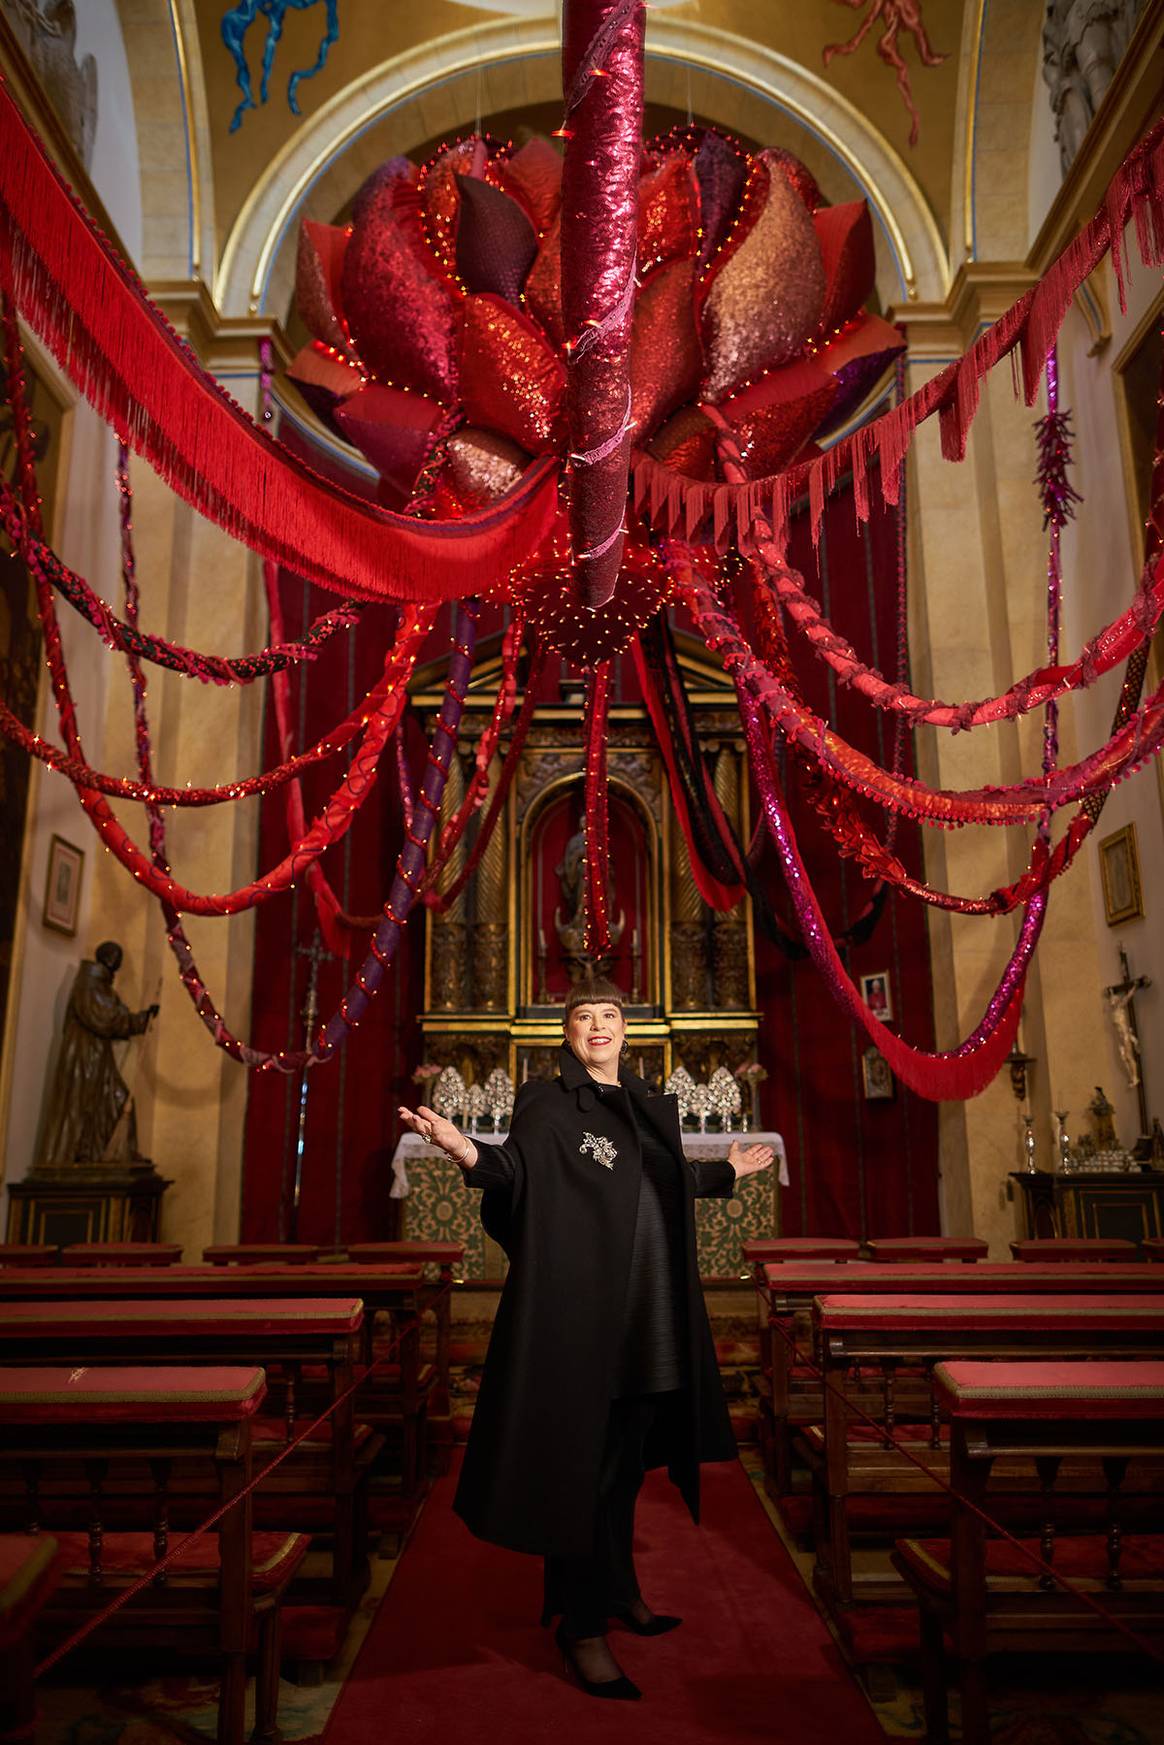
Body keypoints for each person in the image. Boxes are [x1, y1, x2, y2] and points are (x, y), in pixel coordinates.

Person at [399, 976, 773, 1701]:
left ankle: (619, 1587)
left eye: (609, 1015)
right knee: (584, 1470)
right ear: (566, 1033)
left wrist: (726, 1169)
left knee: (626, 1465)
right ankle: (580, 1623)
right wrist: (462, 1148)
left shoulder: (644, 1102)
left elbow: (657, 1179)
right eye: (583, 1017)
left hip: (649, 1314)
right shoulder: (547, 1104)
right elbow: (515, 1175)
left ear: (626, 1030)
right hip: (583, 1319)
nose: (598, 1025)